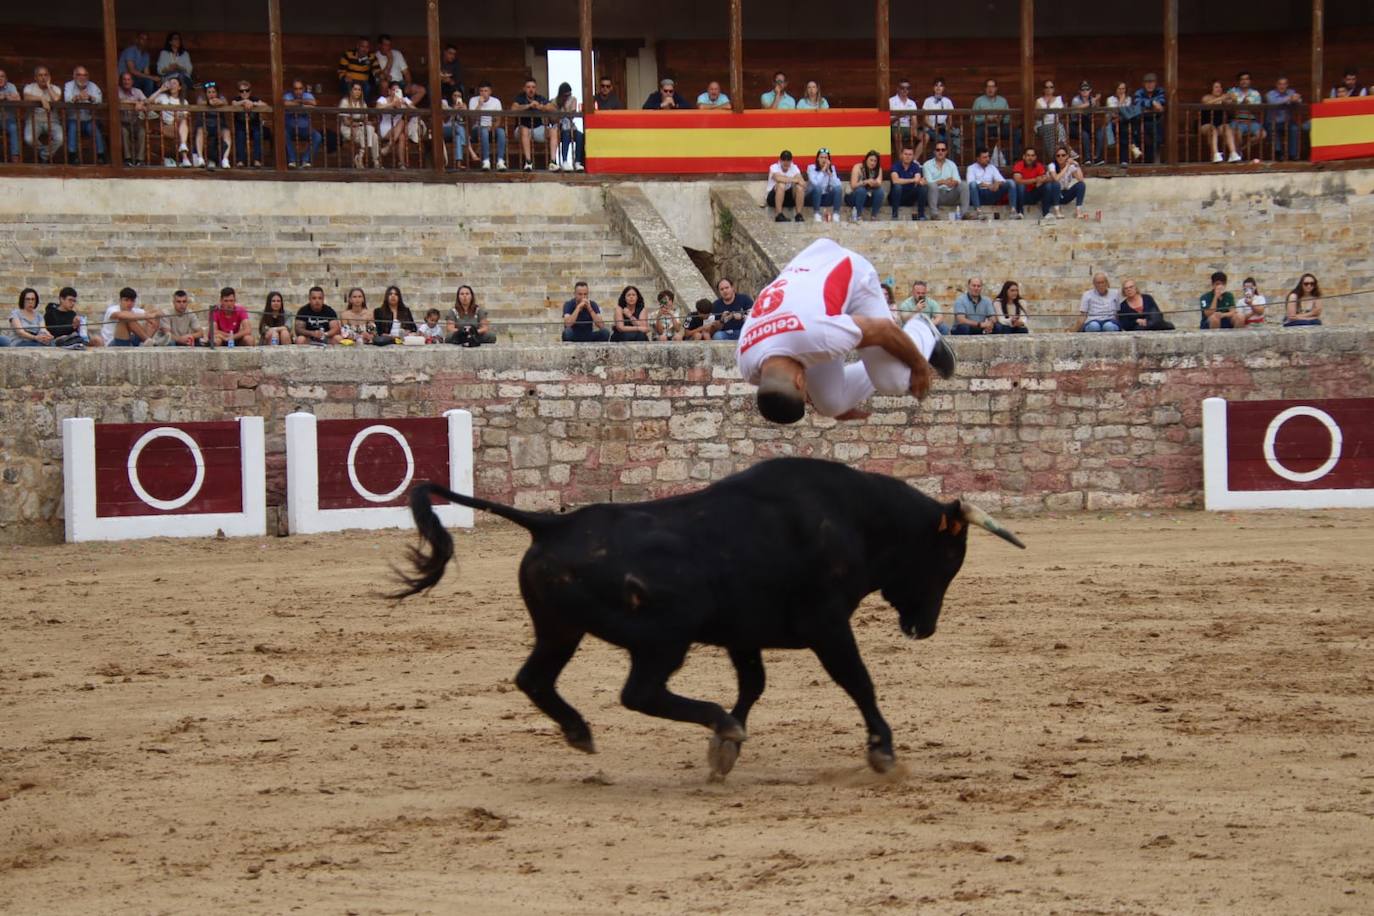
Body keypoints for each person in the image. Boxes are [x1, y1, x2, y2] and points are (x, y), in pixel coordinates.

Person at [738, 237, 954, 424]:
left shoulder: (818, 335)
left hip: (850, 275)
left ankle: (922, 330)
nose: (807, 395)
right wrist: (843, 401)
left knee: (894, 380)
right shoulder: (748, 365)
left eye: (804, 393)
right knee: (830, 404)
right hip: (811, 285)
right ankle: (874, 367)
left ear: (799, 381)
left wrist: (919, 366)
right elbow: (797, 386)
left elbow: (885, 331)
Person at [513, 77, 560, 170]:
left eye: (533, 87)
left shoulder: (540, 98)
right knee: (525, 129)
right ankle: (528, 162)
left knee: (553, 131)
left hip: (538, 129)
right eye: (528, 87)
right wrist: (528, 106)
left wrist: (541, 107)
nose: (531, 90)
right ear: (524, 88)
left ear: (536, 89)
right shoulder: (520, 98)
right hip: (521, 130)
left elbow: (553, 108)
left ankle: (553, 162)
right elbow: (513, 108)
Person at [63, 66, 106, 163]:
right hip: (73, 119)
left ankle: (101, 155)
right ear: (74, 76)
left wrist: (90, 98)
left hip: (88, 119)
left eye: (85, 75)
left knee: (95, 129)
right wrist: (77, 97)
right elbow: (67, 99)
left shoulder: (93, 86)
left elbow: (99, 99)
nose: (82, 77)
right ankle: (72, 156)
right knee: (73, 128)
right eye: (79, 75)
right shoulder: (69, 85)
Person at [22, 66, 64, 163]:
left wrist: (49, 86)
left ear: (49, 76)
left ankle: (44, 156)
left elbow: (57, 99)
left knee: (60, 139)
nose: (43, 78)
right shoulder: (29, 87)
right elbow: (26, 97)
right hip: (34, 120)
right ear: (35, 78)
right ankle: (45, 153)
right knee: (29, 139)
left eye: (46, 75)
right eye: (40, 75)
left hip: (52, 120)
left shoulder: (55, 88)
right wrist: (41, 99)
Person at [148, 77, 191, 167]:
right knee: (181, 130)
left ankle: (183, 150)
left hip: (179, 125)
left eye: (174, 83)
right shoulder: (163, 97)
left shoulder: (184, 101)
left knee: (183, 121)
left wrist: (178, 119)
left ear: (179, 87)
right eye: (170, 83)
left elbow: (185, 116)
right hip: (166, 125)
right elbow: (148, 101)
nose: (172, 85)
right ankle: (184, 157)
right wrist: (160, 90)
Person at [967, 146, 1019, 219]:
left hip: (992, 194)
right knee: (973, 185)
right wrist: (989, 186)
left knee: (1010, 182)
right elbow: (971, 182)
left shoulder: (992, 167)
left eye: (988, 157)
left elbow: (1002, 180)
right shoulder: (971, 168)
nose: (988, 159)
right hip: (980, 194)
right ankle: (978, 212)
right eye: (984, 157)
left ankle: (1013, 211)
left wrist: (997, 183)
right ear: (978, 159)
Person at [922, 140, 969, 220]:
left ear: (946, 151)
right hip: (936, 195)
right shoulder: (927, 165)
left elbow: (957, 180)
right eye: (938, 150)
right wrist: (943, 181)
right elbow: (929, 182)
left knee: (964, 184)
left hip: (950, 194)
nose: (940, 152)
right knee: (932, 186)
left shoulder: (951, 164)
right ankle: (934, 214)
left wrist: (953, 182)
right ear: (934, 152)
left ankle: (964, 213)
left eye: (943, 150)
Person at [972, 78, 1015, 163]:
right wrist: (986, 118)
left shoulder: (1002, 101)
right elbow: (972, 118)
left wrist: (1001, 119)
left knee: (1016, 133)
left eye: (992, 87)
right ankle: (981, 159)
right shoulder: (979, 101)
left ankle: (1015, 159)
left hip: (999, 126)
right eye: (988, 87)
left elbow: (1008, 118)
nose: (990, 89)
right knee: (977, 134)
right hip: (984, 127)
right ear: (985, 89)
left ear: (996, 88)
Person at [376, 80, 418, 168]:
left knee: (402, 136)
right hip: (385, 130)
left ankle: (400, 162)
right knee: (402, 122)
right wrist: (392, 104)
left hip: (397, 132)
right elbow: (378, 108)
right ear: (389, 91)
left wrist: (405, 103)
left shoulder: (404, 100)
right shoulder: (383, 99)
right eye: (393, 90)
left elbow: (416, 111)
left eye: (398, 90)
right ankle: (400, 161)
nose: (395, 92)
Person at [339, 80, 380, 168]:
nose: (357, 92)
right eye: (355, 89)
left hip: (361, 129)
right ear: (351, 91)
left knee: (374, 134)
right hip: (348, 129)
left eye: (359, 90)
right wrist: (358, 124)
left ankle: (364, 157)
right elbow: (346, 121)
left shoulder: (363, 103)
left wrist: (369, 123)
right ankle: (372, 159)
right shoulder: (345, 102)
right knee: (370, 133)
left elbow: (365, 120)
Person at [282, 79, 321, 168]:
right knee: (282, 133)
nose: (298, 91)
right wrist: (303, 104)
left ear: (303, 89)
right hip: (290, 128)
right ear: (292, 89)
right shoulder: (287, 96)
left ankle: (306, 161)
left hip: (305, 128)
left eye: (300, 89)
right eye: (296, 89)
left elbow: (314, 103)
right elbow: (285, 103)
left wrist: (297, 102)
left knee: (317, 136)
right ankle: (292, 161)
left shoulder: (308, 95)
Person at [192, 81, 231, 170]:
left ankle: (225, 159)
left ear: (217, 92)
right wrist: (209, 103)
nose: (211, 94)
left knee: (227, 132)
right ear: (206, 93)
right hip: (205, 126)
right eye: (209, 92)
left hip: (219, 126)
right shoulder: (202, 98)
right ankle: (200, 158)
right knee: (200, 131)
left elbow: (225, 102)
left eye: (213, 92)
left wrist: (219, 102)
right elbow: (199, 103)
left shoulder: (220, 97)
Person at [229, 81, 268, 168]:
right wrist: (244, 102)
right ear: (238, 92)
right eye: (241, 91)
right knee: (240, 135)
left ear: (250, 91)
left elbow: (265, 105)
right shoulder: (236, 99)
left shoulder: (255, 99)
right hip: (241, 126)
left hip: (254, 126)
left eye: (247, 90)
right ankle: (240, 161)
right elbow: (233, 104)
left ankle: (257, 160)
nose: (244, 93)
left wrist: (253, 104)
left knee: (258, 134)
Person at [374, 34, 422, 105]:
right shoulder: (376, 56)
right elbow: (381, 77)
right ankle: (386, 109)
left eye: (389, 45)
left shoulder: (397, 54)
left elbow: (406, 73)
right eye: (385, 45)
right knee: (384, 84)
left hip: (400, 83)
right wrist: (390, 60)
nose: (388, 47)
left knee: (421, 90)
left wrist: (408, 84)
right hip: (386, 84)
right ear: (379, 45)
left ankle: (406, 109)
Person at [1200, 80, 1240, 163]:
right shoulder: (1206, 97)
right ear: (1211, 88)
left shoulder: (1224, 98)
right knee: (1212, 130)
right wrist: (1222, 98)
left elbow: (1232, 107)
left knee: (1227, 128)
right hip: (1206, 124)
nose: (1219, 89)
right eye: (1216, 87)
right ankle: (1215, 154)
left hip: (1220, 124)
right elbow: (1207, 103)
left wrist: (1234, 100)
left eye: (1220, 87)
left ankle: (1233, 153)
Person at [469, 81, 506, 171]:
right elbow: (472, 119)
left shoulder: (496, 101)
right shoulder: (473, 100)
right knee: (484, 131)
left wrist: (492, 128)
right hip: (476, 129)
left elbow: (498, 120)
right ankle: (486, 161)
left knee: (501, 131)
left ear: (490, 92)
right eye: (481, 91)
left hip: (491, 128)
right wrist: (479, 105)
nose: (483, 93)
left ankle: (500, 161)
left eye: (486, 91)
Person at [1266, 76, 1304, 162]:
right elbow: (1273, 102)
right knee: (1273, 129)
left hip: (1287, 122)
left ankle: (1293, 154)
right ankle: (1279, 153)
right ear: (1276, 85)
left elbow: (1299, 100)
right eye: (1280, 84)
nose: (1282, 86)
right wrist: (1289, 99)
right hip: (1273, 122)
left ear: (1287, 85)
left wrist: (1296, 100)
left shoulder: (1291, 92)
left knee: (1294, 129)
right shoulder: (1270, 94)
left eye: (1284, 84)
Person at [113, 71, 147, 167]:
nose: (126, 82)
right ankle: (127, 159)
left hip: (135, 122)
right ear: (121, 81)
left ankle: (140, 160)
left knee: (142, 132)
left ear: (132, 81)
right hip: (122, 122)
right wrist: (135, 103)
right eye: (124, 79)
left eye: (128, 79)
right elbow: (119, 101)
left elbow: (146, 100)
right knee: (124, 132)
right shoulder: (117, 91)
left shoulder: (138, 91)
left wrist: (142, 103)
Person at [1228, 71, 1265, 158]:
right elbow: (1229, 108)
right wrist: (1242, 104)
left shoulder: (1255, 93)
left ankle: (1242, 149)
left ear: (1250, 81)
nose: (1244, 81)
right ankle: (1238, 154)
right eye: (1242, 79)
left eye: (1246, 79)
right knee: (1237, 136)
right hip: (1237, 121)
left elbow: (1258, 110)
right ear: (1238, 81)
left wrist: (1249, 106)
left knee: (1262, 134)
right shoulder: (1232, 91)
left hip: (1252, 122)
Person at [1011, 146, 1055, 218]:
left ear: (1035, 157)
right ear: (1024, 157)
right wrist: (1035, 180)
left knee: (1048, 185)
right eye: (1028, 155)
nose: (1030, 158)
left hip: (1034, 194)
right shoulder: (1019, 165)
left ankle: (1046, 213)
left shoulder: (1039, 165)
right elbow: (1018, 180)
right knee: (1020, 186)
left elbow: (1044, 178)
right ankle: (1020, 212)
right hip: (1022, 195)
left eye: (1032, 156)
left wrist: (1042, 180)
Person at [1134, 73, 1166, 162]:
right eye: (1147, 82)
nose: (1149, 85)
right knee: (1141, 136)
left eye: (1152, 82)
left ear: (1156, 83)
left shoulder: (1160, 91)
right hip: (1142, 120)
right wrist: (1152, 103)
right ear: (1143, 84)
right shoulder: (1139, 92)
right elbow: (1138, 103)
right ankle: (1143, 161)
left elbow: (1162, 101)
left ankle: (1156, 160)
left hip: (1156, 120)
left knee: (1157, 136)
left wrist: (1148, 106)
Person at [766, 149, 806, 222]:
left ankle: (799, 215)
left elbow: (802, 182)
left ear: (791, 161)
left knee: (799, 187)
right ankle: (779, 215)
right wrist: (794, 179)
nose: (786, 162)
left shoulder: (794, 167)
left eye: (788, 160)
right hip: (773, 198)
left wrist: (797, 180)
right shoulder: (774, 167)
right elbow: (778, 178)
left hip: (788, 197)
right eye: (784, 160)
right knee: (781, 184)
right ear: (780, 160)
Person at [1047, 146, 1087, 219]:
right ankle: (1057, 212)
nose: (1060, 157)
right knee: (1056, 184)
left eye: (1063, 155)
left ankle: (1078, 212)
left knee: (1081, 185)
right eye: (1058, 156)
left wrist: (1077, 165)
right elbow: (1056, 178)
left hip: (1064, 194)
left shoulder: (1071, 166)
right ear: (1055, 157)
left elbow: (1081, 180)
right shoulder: (1052, 165)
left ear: (1067, 156)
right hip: (1053, 195)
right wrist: (1067, 166)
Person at [888, 144, 926, 221]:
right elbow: (895, 180)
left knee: (922, 188)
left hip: (909, 196)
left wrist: (919, 181)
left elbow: (918, 179)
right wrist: (912, 180)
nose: (907, 156)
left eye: (910, 154)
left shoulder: (915, 166)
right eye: (905, 154)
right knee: (897, 187)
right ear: (901, 155)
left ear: (913, 156)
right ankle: (894, 215)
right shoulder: (896, 166)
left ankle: (921, 215)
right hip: (895, 196)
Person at [1068, 81, 1102, 164]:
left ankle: (1097, 157)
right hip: (1075, 125)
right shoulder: (1076, 99)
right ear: (1079, 91)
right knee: (1084, 135)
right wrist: (1092, 101)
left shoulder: (1092, 99)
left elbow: (1097, 109)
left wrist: (1097, 101)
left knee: (1100, 133)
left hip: (1088, 124)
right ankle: (1087, 158)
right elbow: (1078, 108)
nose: (1085, 91)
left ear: (1090, 90)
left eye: (1087, 89)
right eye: (1082, 89)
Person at [847, 149, 886, 222]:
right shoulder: (858, 167)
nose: (873, 163)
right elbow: (853, 185)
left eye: (875, 161)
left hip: (868, 197)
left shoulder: (878, 169)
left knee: (880, 191)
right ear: (866, 160)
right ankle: (858, 216)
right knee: (861, 190)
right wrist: (865, 182)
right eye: (871, 160)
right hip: (853, 196)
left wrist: (874, 183)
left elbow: (879, 182)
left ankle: (874, 216)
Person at [806, 148, 844, 222]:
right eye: (821, 157)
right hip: (813, 197)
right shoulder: (811, 168)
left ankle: (836, 214)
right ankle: (816, 214)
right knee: (818, 188)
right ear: (817, 159)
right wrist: (823, 171)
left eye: (826, 158)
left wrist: (830, 173)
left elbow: (837, 185)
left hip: (825, 197)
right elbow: (815, 183)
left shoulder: (831, 168)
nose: (824, 160)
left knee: (838, 189)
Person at [553, 82, 584, 171]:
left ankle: (577, 162)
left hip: (571, 126)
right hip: (560, 127)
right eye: (566, 95)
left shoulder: (573, 99)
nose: (568, 97)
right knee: (566, 135)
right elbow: (554, 116)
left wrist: (565, 106)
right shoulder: (555, 101)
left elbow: (572, 115)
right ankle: (565, 161)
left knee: (580, 136)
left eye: (569, 94)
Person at [889, 78, 922, 159]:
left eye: (907, 88)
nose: (905, 90)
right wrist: (898, 116)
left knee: (925, 136)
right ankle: (901, 160)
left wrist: (914, 129)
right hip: (896, 127)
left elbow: (914, 119)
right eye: (902, 88)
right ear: (898, 89)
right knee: (898, 135)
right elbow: (887, 121)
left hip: (909, 127)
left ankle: (914, 160)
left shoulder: (912, 103)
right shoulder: (891, 101)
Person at [118, 31, 156, 98]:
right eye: (142, 39)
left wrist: (154, 79)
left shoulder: (146, 55)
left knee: (150, 82)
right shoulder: (130, 51)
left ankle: (146, 102)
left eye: (146, 39)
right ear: (137, 40)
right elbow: (132, 70)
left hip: (135, 80)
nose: (144, 41)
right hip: (124, 80)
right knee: (150, 79)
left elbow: (146, 73)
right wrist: (152, 77)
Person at [922, 78, 955, 154]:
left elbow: (950, 118)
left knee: (950, 140)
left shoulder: (947, 101)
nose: (938, 87)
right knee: (940, 139)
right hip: (931, 128)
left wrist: (947, 127)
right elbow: (925, 119)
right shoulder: (928, 100)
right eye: (936, 85)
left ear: (944, 88)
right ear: (933, 88)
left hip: (942, 128)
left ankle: (951, 162)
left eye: (941, 86)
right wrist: (932, 127)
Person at [1034, 79, 1065, 159]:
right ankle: (1058, 155)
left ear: (1053, 89)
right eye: (1046, 87)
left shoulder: (1058, 99)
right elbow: (1038, 117)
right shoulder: (1039, 101)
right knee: (1054, 128)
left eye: (1051, 87)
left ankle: (1060, 152)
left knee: (1059, 127)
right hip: (1043, 125)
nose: (1048, 89)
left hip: (1056, 125)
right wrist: (1047, 107)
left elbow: (1061, 114)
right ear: (1043, 89)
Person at [0, 70, 20, 164]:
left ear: (6, 79)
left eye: (2, 76)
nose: (0, 78)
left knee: (13, 128)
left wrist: (7, 96)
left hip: (8, 119)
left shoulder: (11, 86)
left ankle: (15, 157)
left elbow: (17, 98)